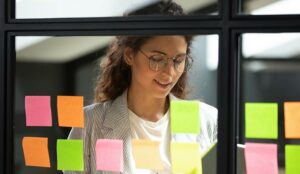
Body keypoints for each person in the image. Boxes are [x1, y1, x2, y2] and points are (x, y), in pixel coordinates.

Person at [66, 1, 217, 174]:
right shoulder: (88, 122)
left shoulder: (208, 120)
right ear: (130, 55)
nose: (169, 73)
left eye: (178, 60)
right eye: (157, 59)